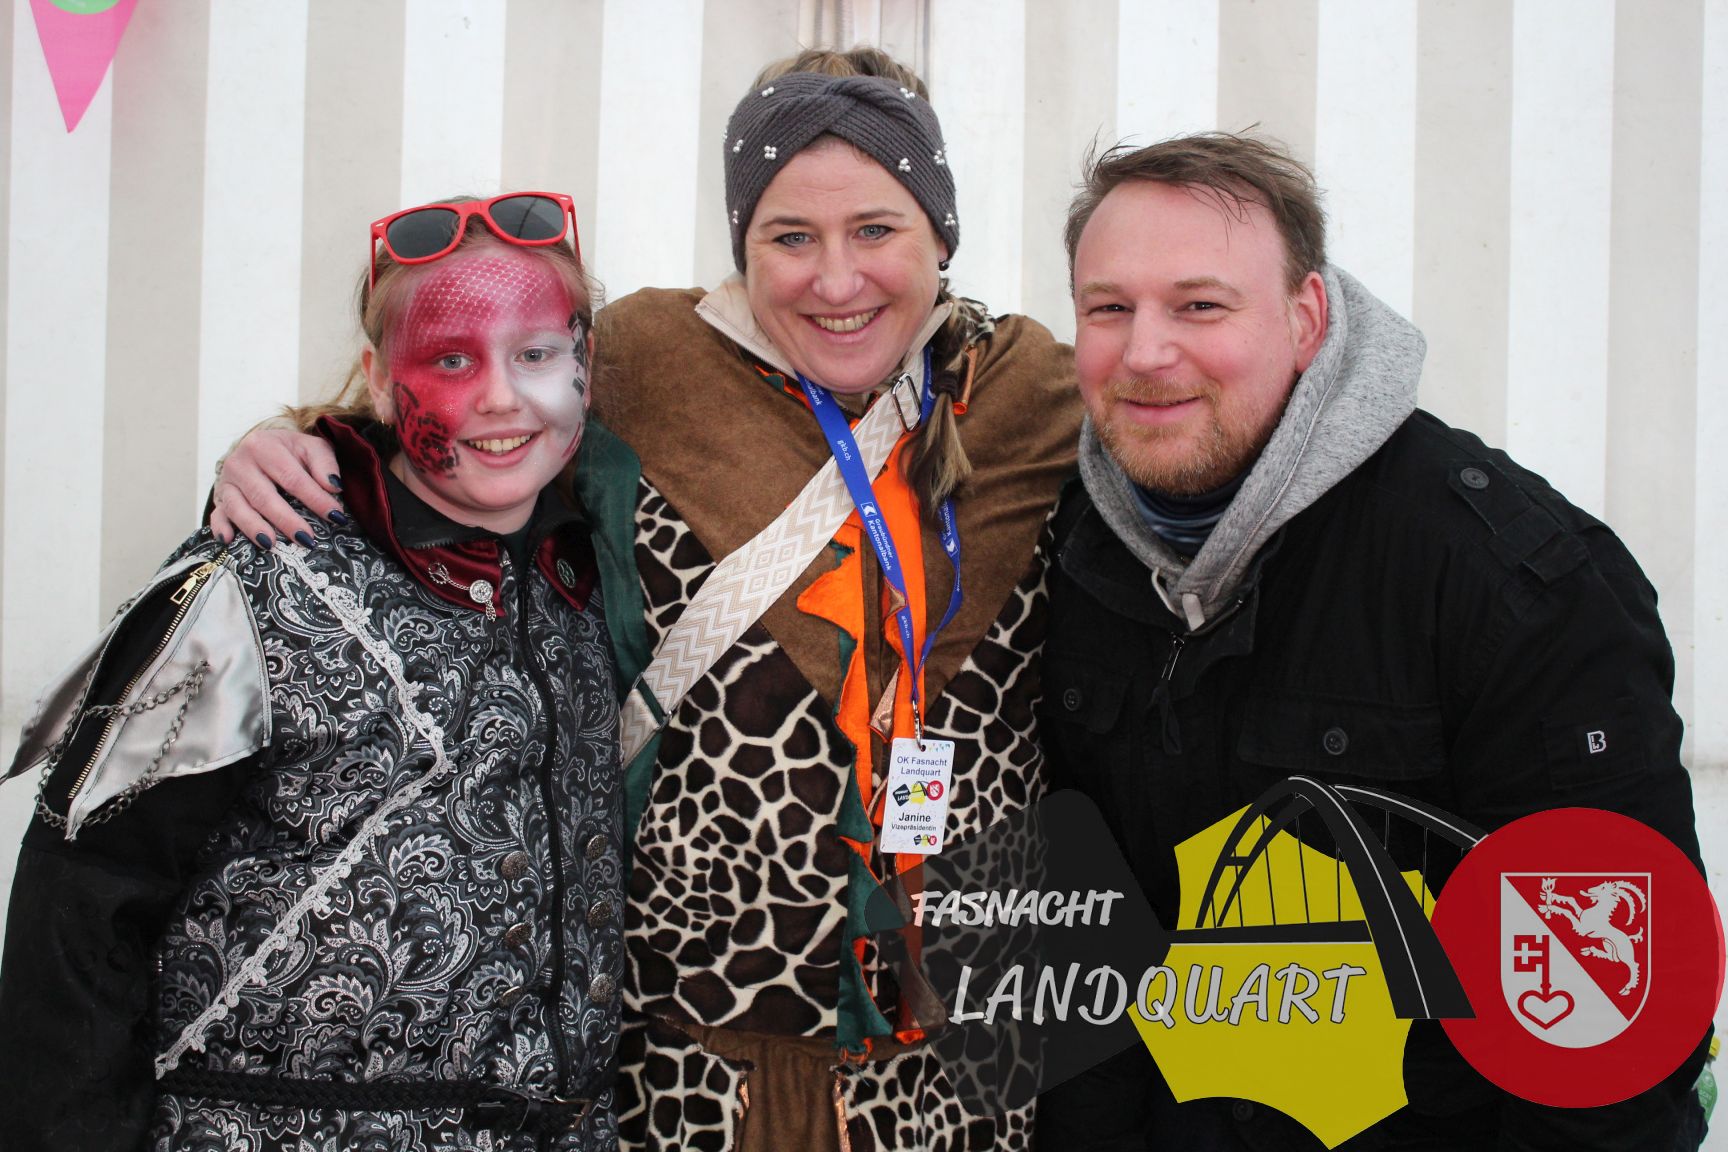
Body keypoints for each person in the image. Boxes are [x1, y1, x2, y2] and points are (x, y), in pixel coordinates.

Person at [204, 50, 1081, 1151]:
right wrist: (286, 450)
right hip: (687, 1060)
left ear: (940, 234)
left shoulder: (1030, 390)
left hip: (959, 1064)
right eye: (790, 237)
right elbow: (461, 428)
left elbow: (1188, 445)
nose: (837, 279)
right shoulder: (643, 361)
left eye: (876, 229)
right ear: (741, 243)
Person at [1034, 133, 1708, 1149]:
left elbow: (1613, 1038)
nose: (1145, 352)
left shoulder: (1505, 579)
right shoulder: (1064, 547)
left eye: (1200, 305)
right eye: (1108, 309)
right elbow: (1063, 941)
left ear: (1307, 319)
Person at [0, 192, 631, 1150]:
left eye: (537, 353)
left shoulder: (595, 574)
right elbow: (81, 897)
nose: (502, 398)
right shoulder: (246, 583)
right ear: (378, 377)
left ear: (585, 361)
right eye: (449, 359)